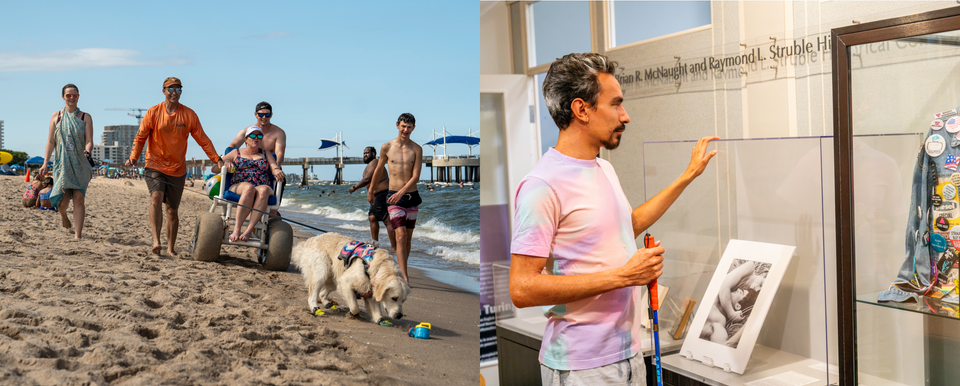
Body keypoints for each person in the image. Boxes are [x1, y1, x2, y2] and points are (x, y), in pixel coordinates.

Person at [508, 53, 718, 385]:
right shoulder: (541, 186)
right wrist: (624, 275)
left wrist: (686, 177)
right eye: (616, 104)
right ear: (581, 109)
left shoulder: (603, 167)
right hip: (581, 366)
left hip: (628, 355)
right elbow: (522, 288)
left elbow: (624, 226)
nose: (626, 116)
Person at [125, 77, 224, 256]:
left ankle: (170, 248)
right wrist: (133, 157)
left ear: (181, 92)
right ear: (163, 91)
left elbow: (203, 139)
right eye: (170, 89)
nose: (174, 93)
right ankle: (156, 241)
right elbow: (140, 137)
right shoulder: (153, 112)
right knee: (156, 198)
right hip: (154, 164)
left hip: (177, 169)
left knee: (172, 210)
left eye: (178, 89)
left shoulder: (189, 115)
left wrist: (216, 158)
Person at [368, 113, 423, 284]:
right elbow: (378, 170)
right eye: (403, 126)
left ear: (413, 128)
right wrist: (371, 190)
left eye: (409, 127)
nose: (406, 130)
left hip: (412, 197)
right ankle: (404, 277)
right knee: (400, 236)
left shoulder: (416, 149)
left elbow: (416, 176)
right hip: (394, 198)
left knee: (407, 238)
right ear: (397, 125)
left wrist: (403, 191)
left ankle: (401, 268)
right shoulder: (387, 147)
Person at [37, 84, 94, 239]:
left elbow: (89, 141)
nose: (71, 98)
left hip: (80, 164)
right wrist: (45, 162)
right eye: (68, 95)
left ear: (78, 96)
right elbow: (50, 141)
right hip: (62, 164)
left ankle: (78, 235)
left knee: (79, 199)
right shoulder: (56, 116)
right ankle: (63, 216)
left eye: (74, 95)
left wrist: (88, 150)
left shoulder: (85, 117)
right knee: (62, 203)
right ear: (63, 97)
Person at [221, 126, 285, 242]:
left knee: (264, 190)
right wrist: (225, 162)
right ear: (245, 139)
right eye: (252, 136)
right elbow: (215, 168)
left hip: (261, 185)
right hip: (240, 185)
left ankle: (249, 230)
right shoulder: (236, 152)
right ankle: (237, 229)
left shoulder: (266, 154)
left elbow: (274, 165)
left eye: (259, 136)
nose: (256, 138)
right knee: (249, 188)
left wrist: (276, 169)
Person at [223, 101, 287, 216]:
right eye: (261, 114)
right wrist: (227, 159)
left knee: (281, 178)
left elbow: (279, 154)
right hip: (247, 171)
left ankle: (272, 212)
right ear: (255, 114)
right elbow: (231, 147)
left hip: (267, 170)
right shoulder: (247, 132)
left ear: (271, 115)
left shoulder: (279, 133)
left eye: (267, 115)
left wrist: (274, 167)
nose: (264, 117)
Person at [700, 261, 764, 347]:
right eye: (762, 284)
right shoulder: (749, 267)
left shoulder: (719, 319)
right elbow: (724, 289)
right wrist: (732, 314)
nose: (757, 288)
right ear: (763, 276)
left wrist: (748, 325)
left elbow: (724, 345)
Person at [349, 146, 397, 250]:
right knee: (372, 217)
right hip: (376, 196)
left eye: (367, 153)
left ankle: (394, 247)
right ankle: (375, 245)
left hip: (382, 194)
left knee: (386, 219)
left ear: (373, 154)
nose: (365, 155)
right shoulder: (372, 164)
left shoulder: (375, 162)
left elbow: (367, 179)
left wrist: (354, 187)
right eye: (364, 153)